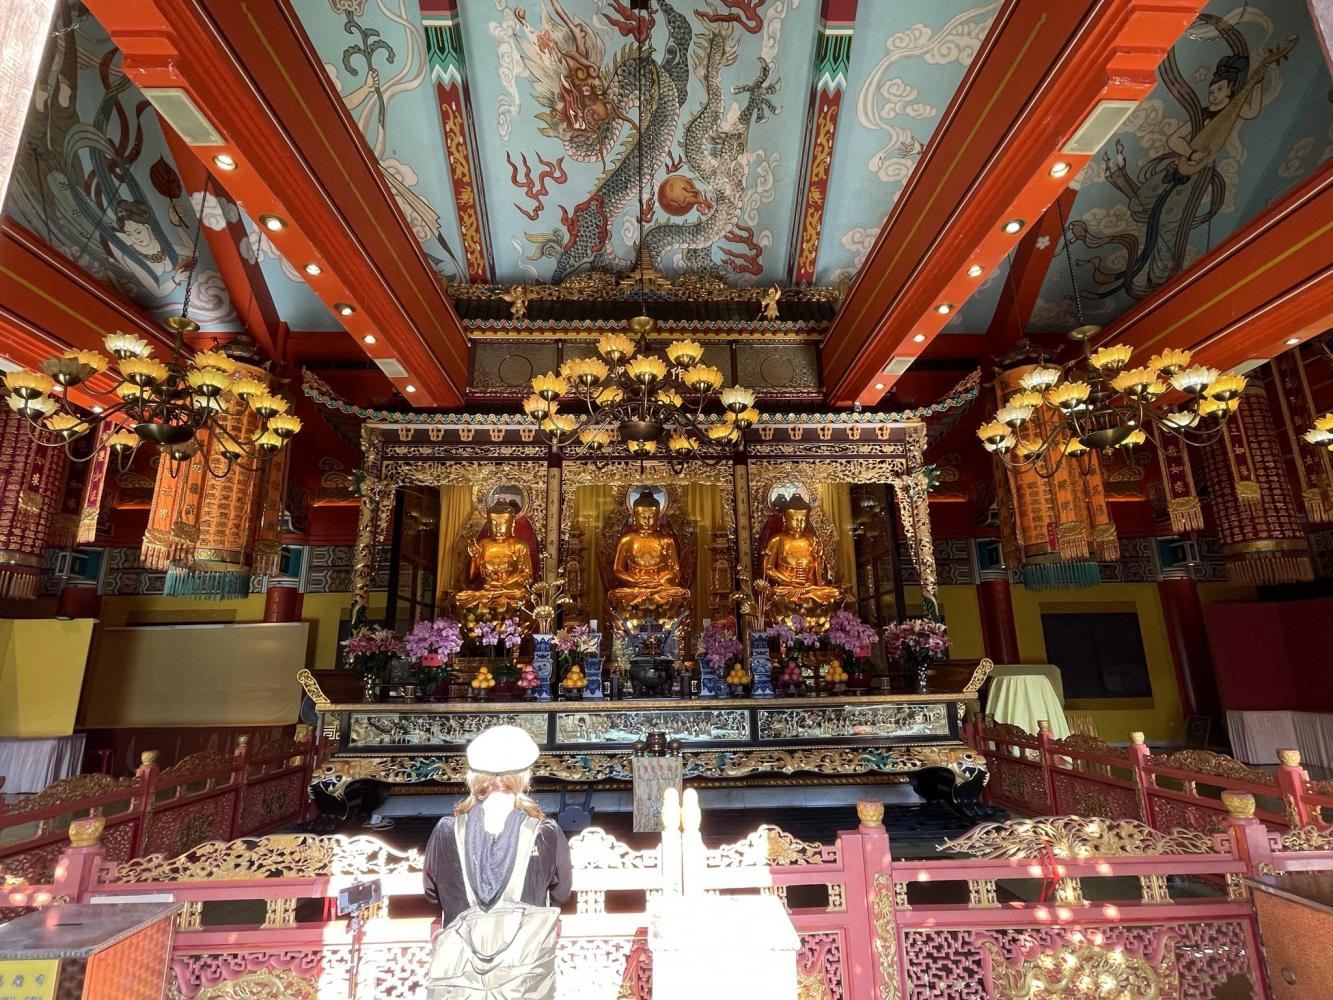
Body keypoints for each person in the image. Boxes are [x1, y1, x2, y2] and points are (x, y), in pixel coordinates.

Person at [424, 725, 571, 999]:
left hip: (460, 973)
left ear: (474, 777)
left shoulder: (446, 831)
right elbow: (561, 893)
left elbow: (431, 894)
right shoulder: (545, 833)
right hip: (524, 973)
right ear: (524, 777)